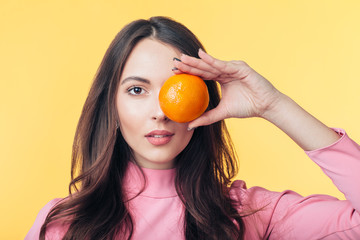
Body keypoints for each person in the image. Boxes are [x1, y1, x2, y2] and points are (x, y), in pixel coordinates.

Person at [25, 16, 360, 240]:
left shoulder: (247, 214)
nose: (160, 112)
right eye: (137, 90)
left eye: (176, 89)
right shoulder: (64, 224)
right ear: (110, 105)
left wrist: (274, 105)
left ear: (204, 100)